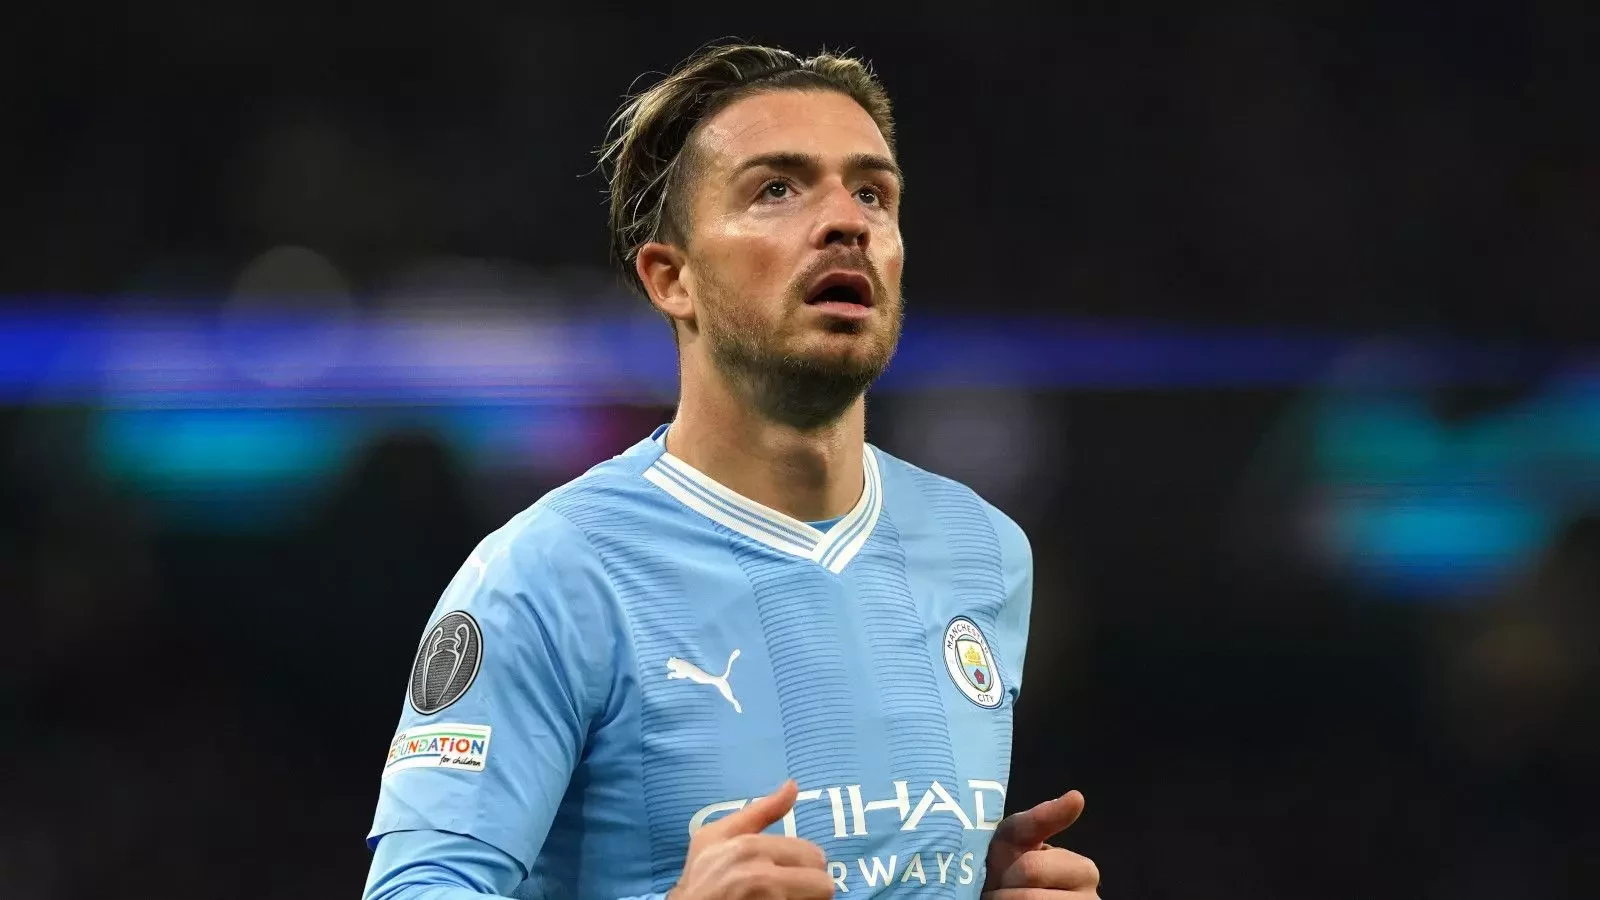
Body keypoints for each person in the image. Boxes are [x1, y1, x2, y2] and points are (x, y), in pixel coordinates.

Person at [362, 42, 1101, 900]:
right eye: (776, 189)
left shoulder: (984, 549)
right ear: (671, 279)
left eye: (872, 192)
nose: (847, 221)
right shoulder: (548, 575)